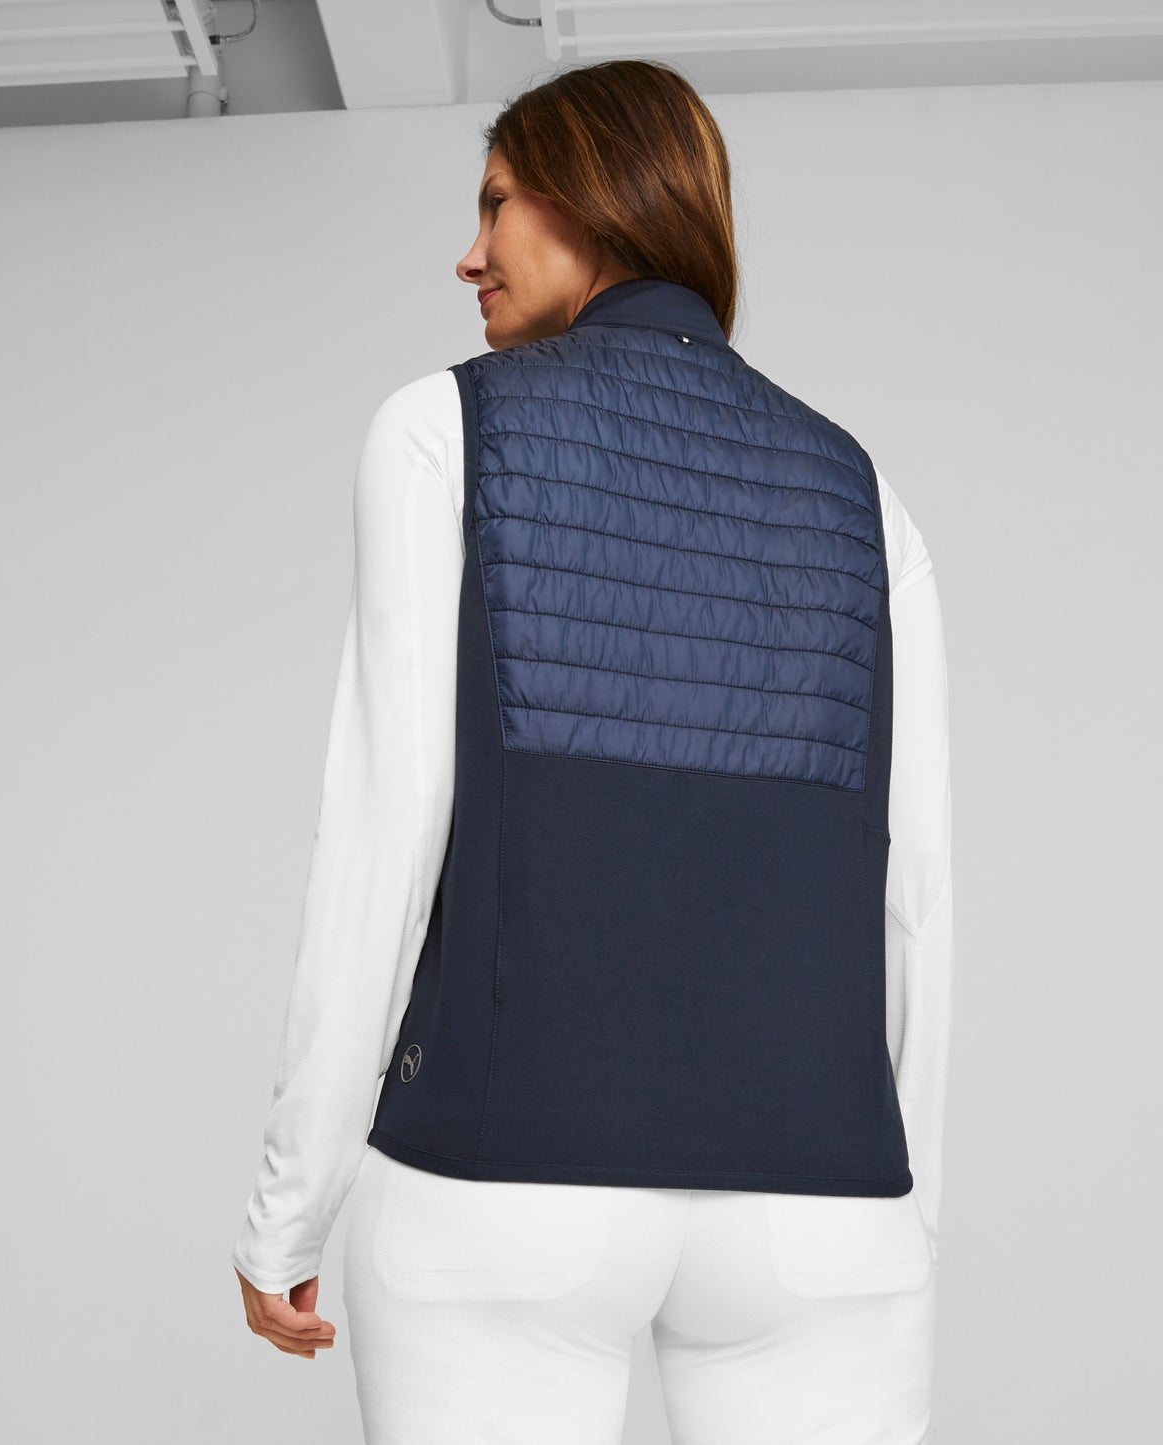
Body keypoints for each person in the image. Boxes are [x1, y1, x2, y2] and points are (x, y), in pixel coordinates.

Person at [232, 58, 953, 1445]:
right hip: (824, 1207)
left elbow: (386, 830)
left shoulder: (444, 429)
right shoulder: (867, 493)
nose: (469, 254)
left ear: (592, 198)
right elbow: (915, 890)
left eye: (494, 203)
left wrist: (290, 1201)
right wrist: (907, 1215)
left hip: (505, 1181)